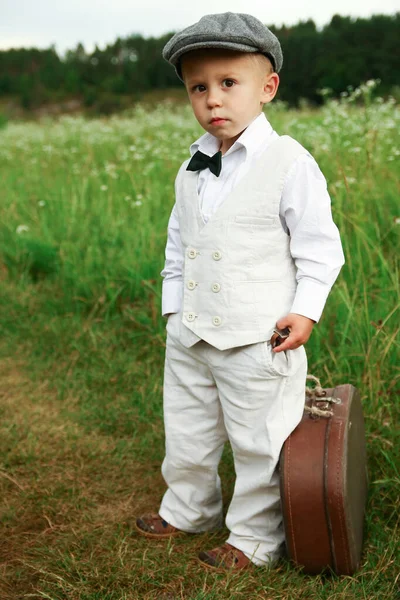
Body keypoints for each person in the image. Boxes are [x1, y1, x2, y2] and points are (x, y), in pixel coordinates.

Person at [135, 12, 345, 571]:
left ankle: (254, 538)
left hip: (260, 337)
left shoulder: (290, 163)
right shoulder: (192, 166)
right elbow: (180, 245)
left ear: (267, 88)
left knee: (259, 441)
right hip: (191, 332)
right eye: (198, 88)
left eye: (229, 83)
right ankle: (189, 507)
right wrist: (174, 309)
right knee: (187, 429)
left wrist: (306, 312)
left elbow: (320, 248)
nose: (213, 100)